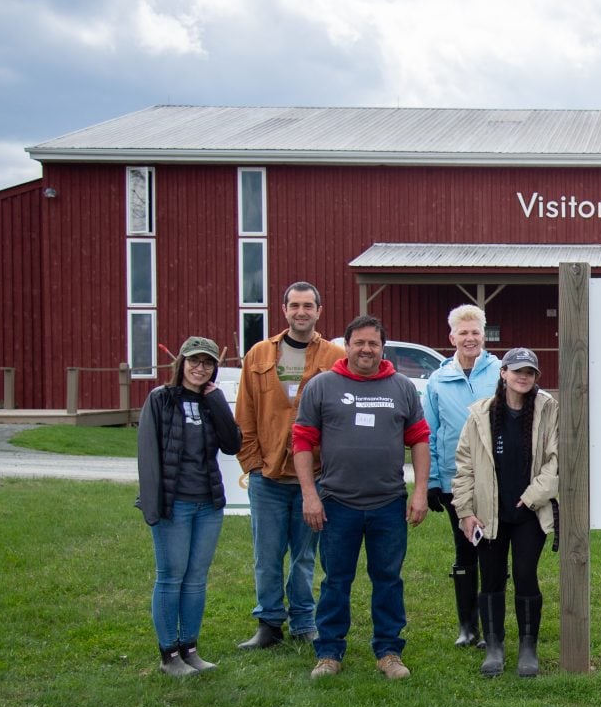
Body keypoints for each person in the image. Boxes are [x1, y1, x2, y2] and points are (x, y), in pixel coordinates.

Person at [292, 316, 431, 680]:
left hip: (388, 504)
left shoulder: (401, 388)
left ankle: (388, 652)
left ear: (382, 347)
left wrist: (419, 492)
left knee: (388, 579)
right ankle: (329, 653)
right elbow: (303, 442)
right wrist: (310, 495)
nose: (366, 349)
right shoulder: (322, 386)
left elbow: (419, 440)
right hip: (337, 503)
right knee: (335, 580)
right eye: (359, 343)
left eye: (373, 343)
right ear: (348, 345)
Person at [233, 281, 345, 650]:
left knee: (303, 556)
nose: (301, 312)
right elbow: (245, 413)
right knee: (266, 556)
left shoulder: (332, 357)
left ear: (318, 311)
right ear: (283, 310)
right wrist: (251, 463)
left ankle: (302, 621)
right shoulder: (260, 354)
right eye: (294, 305)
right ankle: (268, 623)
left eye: (308, 306)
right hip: (267, 475)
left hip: (311, 477)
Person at [136, 336, 241, 676]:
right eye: (194, 361)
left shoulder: (212, 401)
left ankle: (190, 649)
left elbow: (232, 444)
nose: (200, 367)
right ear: (180, 363)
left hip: (207, 504)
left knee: (196, 579)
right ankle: (169, 656)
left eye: (208, 362)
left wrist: (219, 402)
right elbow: (147, 454)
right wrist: (152, 504)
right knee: (171, 577)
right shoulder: (161, 400)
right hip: (174, 505)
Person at [454, 347, 559, 678]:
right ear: (503, 374)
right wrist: (465, 512)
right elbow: (465, 467)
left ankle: (528, 646)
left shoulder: (547, 409)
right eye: (517, 371)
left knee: (526, 575)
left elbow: (557, 461)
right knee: (492, 578)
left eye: (529, 372)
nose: (523, 377)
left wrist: (531, 497)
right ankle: (494, 645)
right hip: (489, 514)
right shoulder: (481, 415)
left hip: (529, 511)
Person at [423, 303, 502, 649]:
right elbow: (429, 432)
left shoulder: (500, 372)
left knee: (492, 551)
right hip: (458, 483)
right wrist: (432, 483)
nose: (470, 339)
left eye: (475, 332)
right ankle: (467, 627)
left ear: (484, 336)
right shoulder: (438, 380)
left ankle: (490, 626)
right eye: (463, 333)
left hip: (497, 479)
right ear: (451, 337)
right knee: (465, 550)